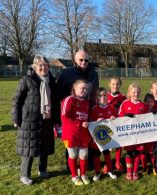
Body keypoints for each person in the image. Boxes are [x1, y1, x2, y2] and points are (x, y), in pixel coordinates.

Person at [12, 55, 60, 185]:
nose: (43, 67)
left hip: (46, 118)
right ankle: (24, 175)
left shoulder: (52, 81)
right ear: (34, 66)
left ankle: (42, 170)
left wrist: (56, 119)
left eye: (45, 64)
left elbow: (55, 102)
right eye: (40, 65)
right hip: (29, 120)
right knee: (29, 146)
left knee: (45, 145)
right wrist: (15, 117)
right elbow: (17, 99)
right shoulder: (27, 80)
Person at [57, 50, 99, 171]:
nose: (83, 62)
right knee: (72, 137)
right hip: (73, 111)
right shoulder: (66, 73)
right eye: (81, 59)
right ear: (75, 60)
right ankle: (70, 164)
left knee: (87, 136)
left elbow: (95, 90)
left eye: (86, 60)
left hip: (89, 109)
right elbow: (59, 92)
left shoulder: (93, 73)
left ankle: (87, 163)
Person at [61, 80, 91, 185]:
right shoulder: (69, 100)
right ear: (75, 88)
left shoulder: (87, 103)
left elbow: (87, 118)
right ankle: (74, 176)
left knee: (84, 155)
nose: (85, 90)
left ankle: (83, 174)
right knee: (73, 155)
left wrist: (89, 123)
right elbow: (64, 117)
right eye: (82, 88)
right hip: (70, 134)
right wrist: (79, 123)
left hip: (83, 133)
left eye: (86, 89)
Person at [118, 83, 147, 181]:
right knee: (129, 152)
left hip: (139, 134)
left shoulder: (142, 105)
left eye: (138, 92)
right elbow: (119, 116)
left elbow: (148, 119)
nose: (136, 94)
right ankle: (129, 171)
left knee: (137, 152)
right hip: (128, 134)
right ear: (129, 92)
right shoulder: (125, 103)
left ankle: (135, 171)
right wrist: (125, 115)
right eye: (134, 92)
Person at [90, 87, 117, 181]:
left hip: (108, 137)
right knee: (96, 155)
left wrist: (114, 118)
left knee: (107, 154)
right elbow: (90, 123)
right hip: (97, 137)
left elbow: (116, 121)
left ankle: (110, 170)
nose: (103, 97)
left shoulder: (111, 107)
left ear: (107, 96)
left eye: (105, 95)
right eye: (100, 95)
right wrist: (96, 121)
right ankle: (97, 172)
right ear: (97, 97)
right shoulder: (94, 109)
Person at [107, 76, 127, 173]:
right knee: (107, 143)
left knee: (118, 143)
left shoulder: (123, 97)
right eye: (113, 84)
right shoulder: (104, 96)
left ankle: (117, 162)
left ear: (120, 85)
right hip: (108, 124)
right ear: (109, 84)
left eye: (117, 84)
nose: (115, 86)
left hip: (119, 124)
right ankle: (108, 163)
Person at [142, 93, 156, 175]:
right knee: (143, 153)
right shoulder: (142, 111)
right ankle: (145, 167)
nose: (149, 104)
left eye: (151, 102)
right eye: (147, 102)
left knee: (152, 152)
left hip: (151, 137)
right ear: (144, 102)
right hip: (143, 136)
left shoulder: (155, 112)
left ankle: (154, 167)